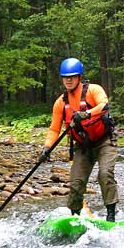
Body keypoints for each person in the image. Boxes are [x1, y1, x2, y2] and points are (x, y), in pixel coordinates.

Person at [40, 57, 118, 222]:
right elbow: (54, 129)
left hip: (104, 141)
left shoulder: (93, 90)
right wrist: (47, 147)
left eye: (72, 76)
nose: (68, 80)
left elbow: (105, 106)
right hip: (82, 145)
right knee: (76, 183)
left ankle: (111, 215)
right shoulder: (60, 103)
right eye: (65, 77)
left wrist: (86, 114)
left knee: (105, 174)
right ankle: (75, 217)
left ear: (79, 77)